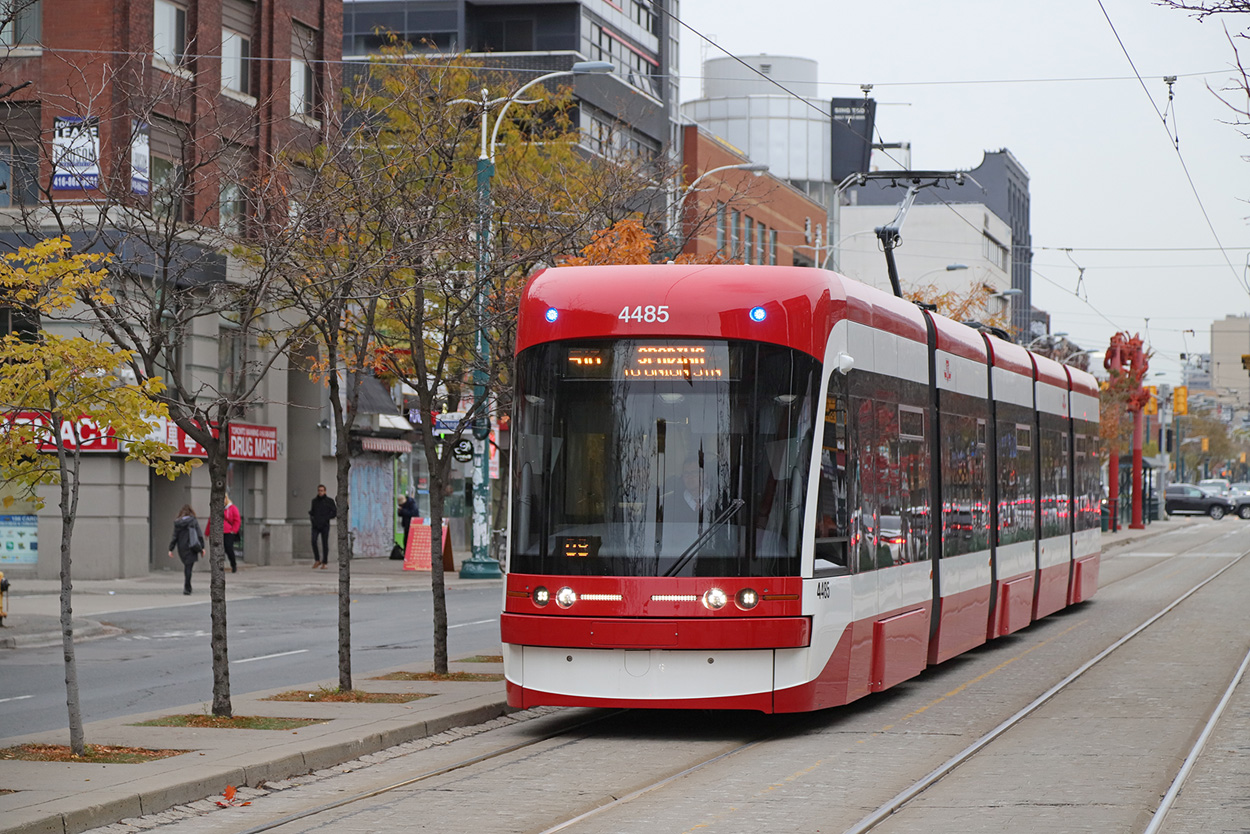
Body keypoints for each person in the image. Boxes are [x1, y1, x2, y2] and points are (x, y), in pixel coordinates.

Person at [168, 505, 204, 595]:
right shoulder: (193, 521)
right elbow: (199, 535)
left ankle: (187, 587)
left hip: (182, 548)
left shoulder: (178, 523)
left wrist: (171, 549)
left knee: (187, 567)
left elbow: (174, 537)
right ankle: (187, 587)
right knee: (188, 568)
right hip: (192, 547)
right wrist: (202, 548)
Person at [309, 484, 337, 569]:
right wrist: (313, 520)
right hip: (316, 525)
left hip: (325, 525)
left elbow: (334, 512)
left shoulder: (329, 501)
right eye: (319, 490)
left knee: (325, 543)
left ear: (325, 491)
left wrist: (326, 518)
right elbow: (312, 512)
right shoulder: (314, 501)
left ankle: (324, 562)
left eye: (322, 490)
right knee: (313, 541)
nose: (320, 492)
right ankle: (317, 560)